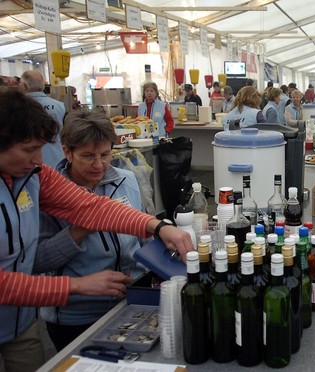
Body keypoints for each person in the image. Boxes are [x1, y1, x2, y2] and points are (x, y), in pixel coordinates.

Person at [0, 89, 193, 372]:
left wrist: (158, 226)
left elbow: (91, 207)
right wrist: (77, 286)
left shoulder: (33, 175)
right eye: (29, 149)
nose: (39, 159)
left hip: (21, 323)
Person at [34, 109, 148, 351]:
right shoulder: (49, 194)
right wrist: (81, 229)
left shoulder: (126, 180)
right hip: (76, 316)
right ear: (67, 152)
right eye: (87, 156)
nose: (99, 165)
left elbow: (143, 234)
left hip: (130, 303)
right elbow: (38, 260)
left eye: (105, 154)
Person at [20, 70, 65, 168]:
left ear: (24, 86)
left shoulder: (18, 107)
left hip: (31, 162)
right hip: (58, 158)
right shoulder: (59, 105)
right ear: (43, 85)